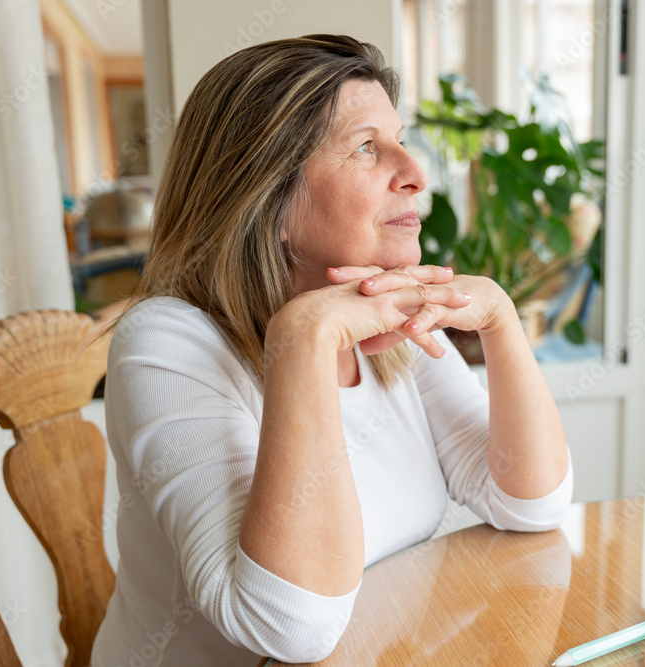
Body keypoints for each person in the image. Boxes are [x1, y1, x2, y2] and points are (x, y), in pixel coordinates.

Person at [90, 34, 573, 667]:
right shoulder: (167, 344)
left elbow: (530, 503)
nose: (416, 173)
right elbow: (290, 628)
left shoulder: (387, 322)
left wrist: (500, 320)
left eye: (400, 139)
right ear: (268, 196)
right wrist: (302, 340)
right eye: (367, 146)